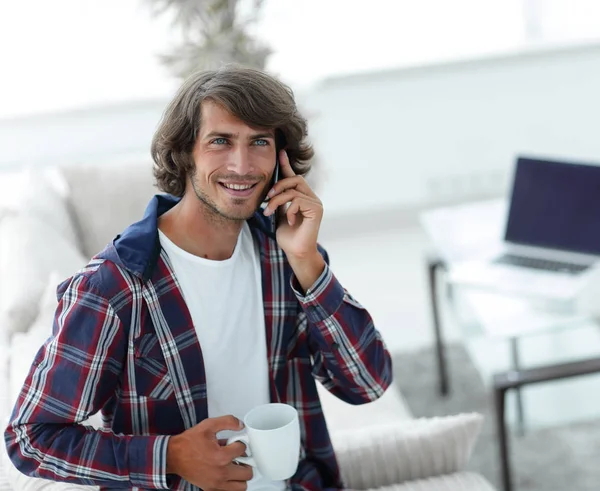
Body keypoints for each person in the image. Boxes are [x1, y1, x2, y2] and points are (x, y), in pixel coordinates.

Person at [5, 65, 392, 491]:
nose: (242, 165)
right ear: (186, 151)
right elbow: (30, 438)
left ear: (281, 158)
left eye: (259, 142)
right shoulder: (112, 289)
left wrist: (307, 262)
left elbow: (368, 383)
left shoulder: (284, 260)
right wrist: (171, 456)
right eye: (221, 141)